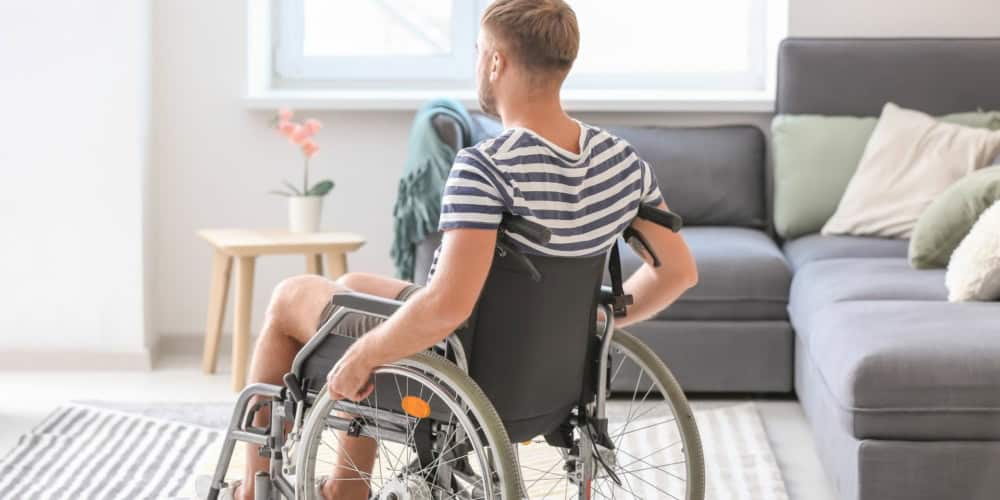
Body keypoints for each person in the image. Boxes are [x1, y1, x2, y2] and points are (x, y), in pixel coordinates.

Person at [228, 0, 697, 498]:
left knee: (289, 299)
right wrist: (597, 323)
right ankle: (346, 486)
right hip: (546, 377)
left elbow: (448, 306)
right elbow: (678, 272)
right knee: (352, 287)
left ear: (496, 62)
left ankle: (252, 488)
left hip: (463, 371)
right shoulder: (621, 161)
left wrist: (365, 354)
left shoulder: (487, 166)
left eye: (478, 52)